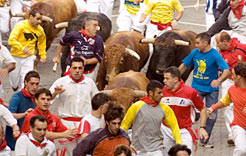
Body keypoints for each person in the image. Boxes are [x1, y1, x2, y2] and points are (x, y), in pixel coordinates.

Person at [179, 32, 230, 147]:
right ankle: (185, 134)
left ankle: (204, 139)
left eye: (197, 43)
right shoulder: (195, 52)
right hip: (197, 88)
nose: (195, 45)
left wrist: (218, 81)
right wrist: (175, 78)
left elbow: (226, 70)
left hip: (212, 90)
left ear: (206, 43)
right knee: (192, 112)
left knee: (212, 115)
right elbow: (184, 65)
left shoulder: (215, 55)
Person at [50, 56, 98, 155]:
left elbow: (97, 102)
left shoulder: (90, 83)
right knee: (66, 153)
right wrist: (55, 93)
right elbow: (46, 100)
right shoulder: (61, 82)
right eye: (74, 68)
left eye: (80, 68)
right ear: (70, 68)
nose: (77, 71)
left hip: (85, 124)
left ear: (83, 69)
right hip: (66, 125)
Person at [121, 80, 182, 155]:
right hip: (137, 150)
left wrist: (179, 143)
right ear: (150, 93)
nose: (162, 95)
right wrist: (125, 143)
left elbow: (174, 126)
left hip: (156, 150)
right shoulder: (136, 106)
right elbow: (124, 126)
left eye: (162, 92)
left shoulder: (166, 109)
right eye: (159, 93)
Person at [161, 66, 208, 154]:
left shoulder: (191, 92)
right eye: (164, 78)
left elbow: (202, 109)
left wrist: (202, 128)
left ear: (175, 79)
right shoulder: (162, 91)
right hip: (165, 130)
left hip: (183, 131)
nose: (164, 81)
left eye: (167, 78)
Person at [208, 62, 246, 156]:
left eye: (233, 74)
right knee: (241, 150)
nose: (231, 77)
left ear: (239, 77)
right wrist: (213, 107)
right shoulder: (232, 89)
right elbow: (225, 101)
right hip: (239, 125)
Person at [216, 31, 246, 144]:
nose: (217, 45)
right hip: (228, 81)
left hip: (243, 81)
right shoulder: (219, 54)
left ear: (225, 42)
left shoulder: (242, 48)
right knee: (227, 106)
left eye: (218, 43)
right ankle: (232, 133)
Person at [139, 0, 184, 74]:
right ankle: (145, 70)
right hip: (153, 28)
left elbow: (181, 11)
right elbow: (145, 12)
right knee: (150, 50)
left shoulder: (174, 0)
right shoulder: (152, 1)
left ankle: (169, 71)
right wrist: (142, 18)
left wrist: (176, 20)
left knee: (167, 51)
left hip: (166, 28)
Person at [8, 8, 46, 91]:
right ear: (31, 17)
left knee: (26, 80)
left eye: (41, 19)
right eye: (38, 19)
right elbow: (11, 40)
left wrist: (43, 55)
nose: (39, 22)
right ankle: (15, 87)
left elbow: (42, 43)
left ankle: (23, 98)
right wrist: (22, 48)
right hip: (15, 57)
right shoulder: (20, 25)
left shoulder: (40, 30)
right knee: (14, 83)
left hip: (29, 58)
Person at [5, 70, 40, 150]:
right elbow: (9, 116)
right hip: (14, 145)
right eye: (32, 84)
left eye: (37, 84)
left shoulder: (36, 98)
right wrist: (24, 114)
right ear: (25, 82)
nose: (34, 87)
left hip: (31, 144)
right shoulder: (17, 97)